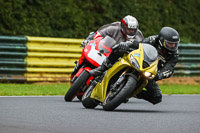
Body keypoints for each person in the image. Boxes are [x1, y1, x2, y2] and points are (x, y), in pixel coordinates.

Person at [90, 26, 180, 105]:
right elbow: (140, 43)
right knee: (118, 48)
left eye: (174, 44)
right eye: (169, 43)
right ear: (161, 40)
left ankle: (131, 92)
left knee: (157, 97)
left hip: (149, 73)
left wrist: (159, 75)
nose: (172, 46)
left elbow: (169, 68)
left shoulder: (174, 55)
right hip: (139, 61)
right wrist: (128, 45)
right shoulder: (153, 40)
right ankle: (102, 68)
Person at [72, 15, 144, 75]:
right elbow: (98, 34)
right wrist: (88, 40)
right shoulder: (113, 28)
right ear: (123, 27)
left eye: (133, 30)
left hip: (120, 59)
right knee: (87, 49)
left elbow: (141, 49)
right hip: (105, 51)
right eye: (128, 29)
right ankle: (79, 65)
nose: (131, 31)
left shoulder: (138, 36)